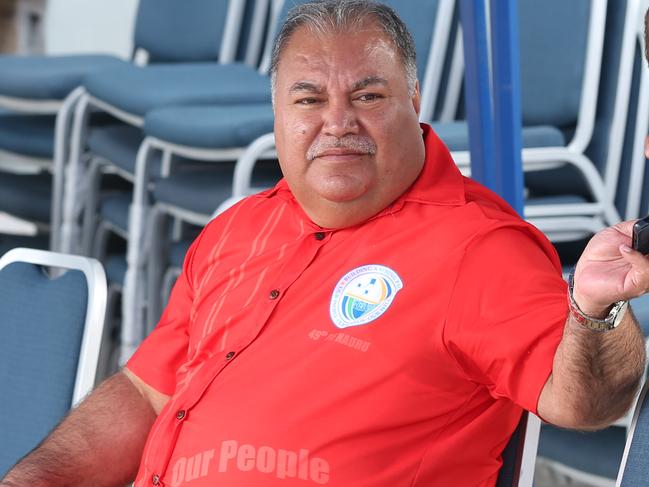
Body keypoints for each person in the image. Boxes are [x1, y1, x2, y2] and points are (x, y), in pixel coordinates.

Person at [2, 1, 648, 485]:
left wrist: (595, 309)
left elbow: (583, 401)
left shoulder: (477, 248)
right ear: (277, 113)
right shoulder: (237, 228)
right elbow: (146, 392)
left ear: (413, 100)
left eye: (367, 95)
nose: (337, 123)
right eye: (308, 98)